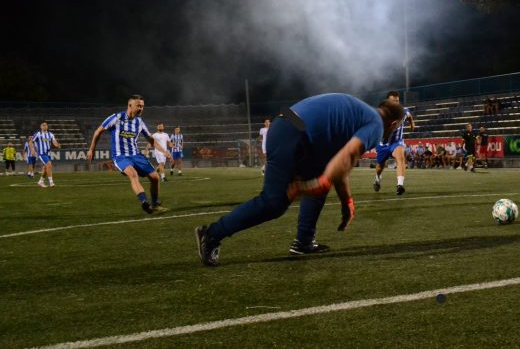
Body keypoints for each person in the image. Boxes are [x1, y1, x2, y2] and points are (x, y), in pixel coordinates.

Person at [194, 93, 404, 267]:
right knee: (274, 202)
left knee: (319, 175)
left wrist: (343, 199)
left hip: (290, 121)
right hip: (294, 131)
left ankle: (304, 241)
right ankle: (211, 234)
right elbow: (347, 156)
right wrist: (322, 183)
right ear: (393, 124)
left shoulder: (361, 110)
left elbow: (339, 164)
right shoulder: (376, 125)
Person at [86, 94, 171, 214]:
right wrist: (91, 149)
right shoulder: (116, 117)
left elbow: (151, 139)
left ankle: (155, 204)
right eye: (138, 106)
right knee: (133, 174)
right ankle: (144, 202)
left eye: (142, 106)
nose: (141, 108)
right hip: (120, 156)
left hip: (136, 155)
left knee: (155, 178)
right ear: (130, 105)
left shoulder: (139, 122)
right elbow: (98, 131)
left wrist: (164, 151)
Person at [372, 91, 415, 195]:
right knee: (380, 167)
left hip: (396, 142)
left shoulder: (404, 111)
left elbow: (409, 116)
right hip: (382, 144)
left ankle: (400, 185)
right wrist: (391, 127)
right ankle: (377, 178)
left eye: (397, 101)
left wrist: (412, 125)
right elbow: (381, 133)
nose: (396, 103)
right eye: (393, 101)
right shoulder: (382, 114)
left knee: (400, 158)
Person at [30, 121, 61, 187]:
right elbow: (31, 142)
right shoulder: (38, 134)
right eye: (43, 125)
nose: (45, 126)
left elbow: (54, 142)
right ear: (41, 127)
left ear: (47, 126)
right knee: (49, 165)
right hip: (41, 153)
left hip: (48, 153)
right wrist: (32, 150)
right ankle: (51, 182)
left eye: (46, 125)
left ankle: (41, 181)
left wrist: (57, 145)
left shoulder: (51, 134)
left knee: (45, 169)